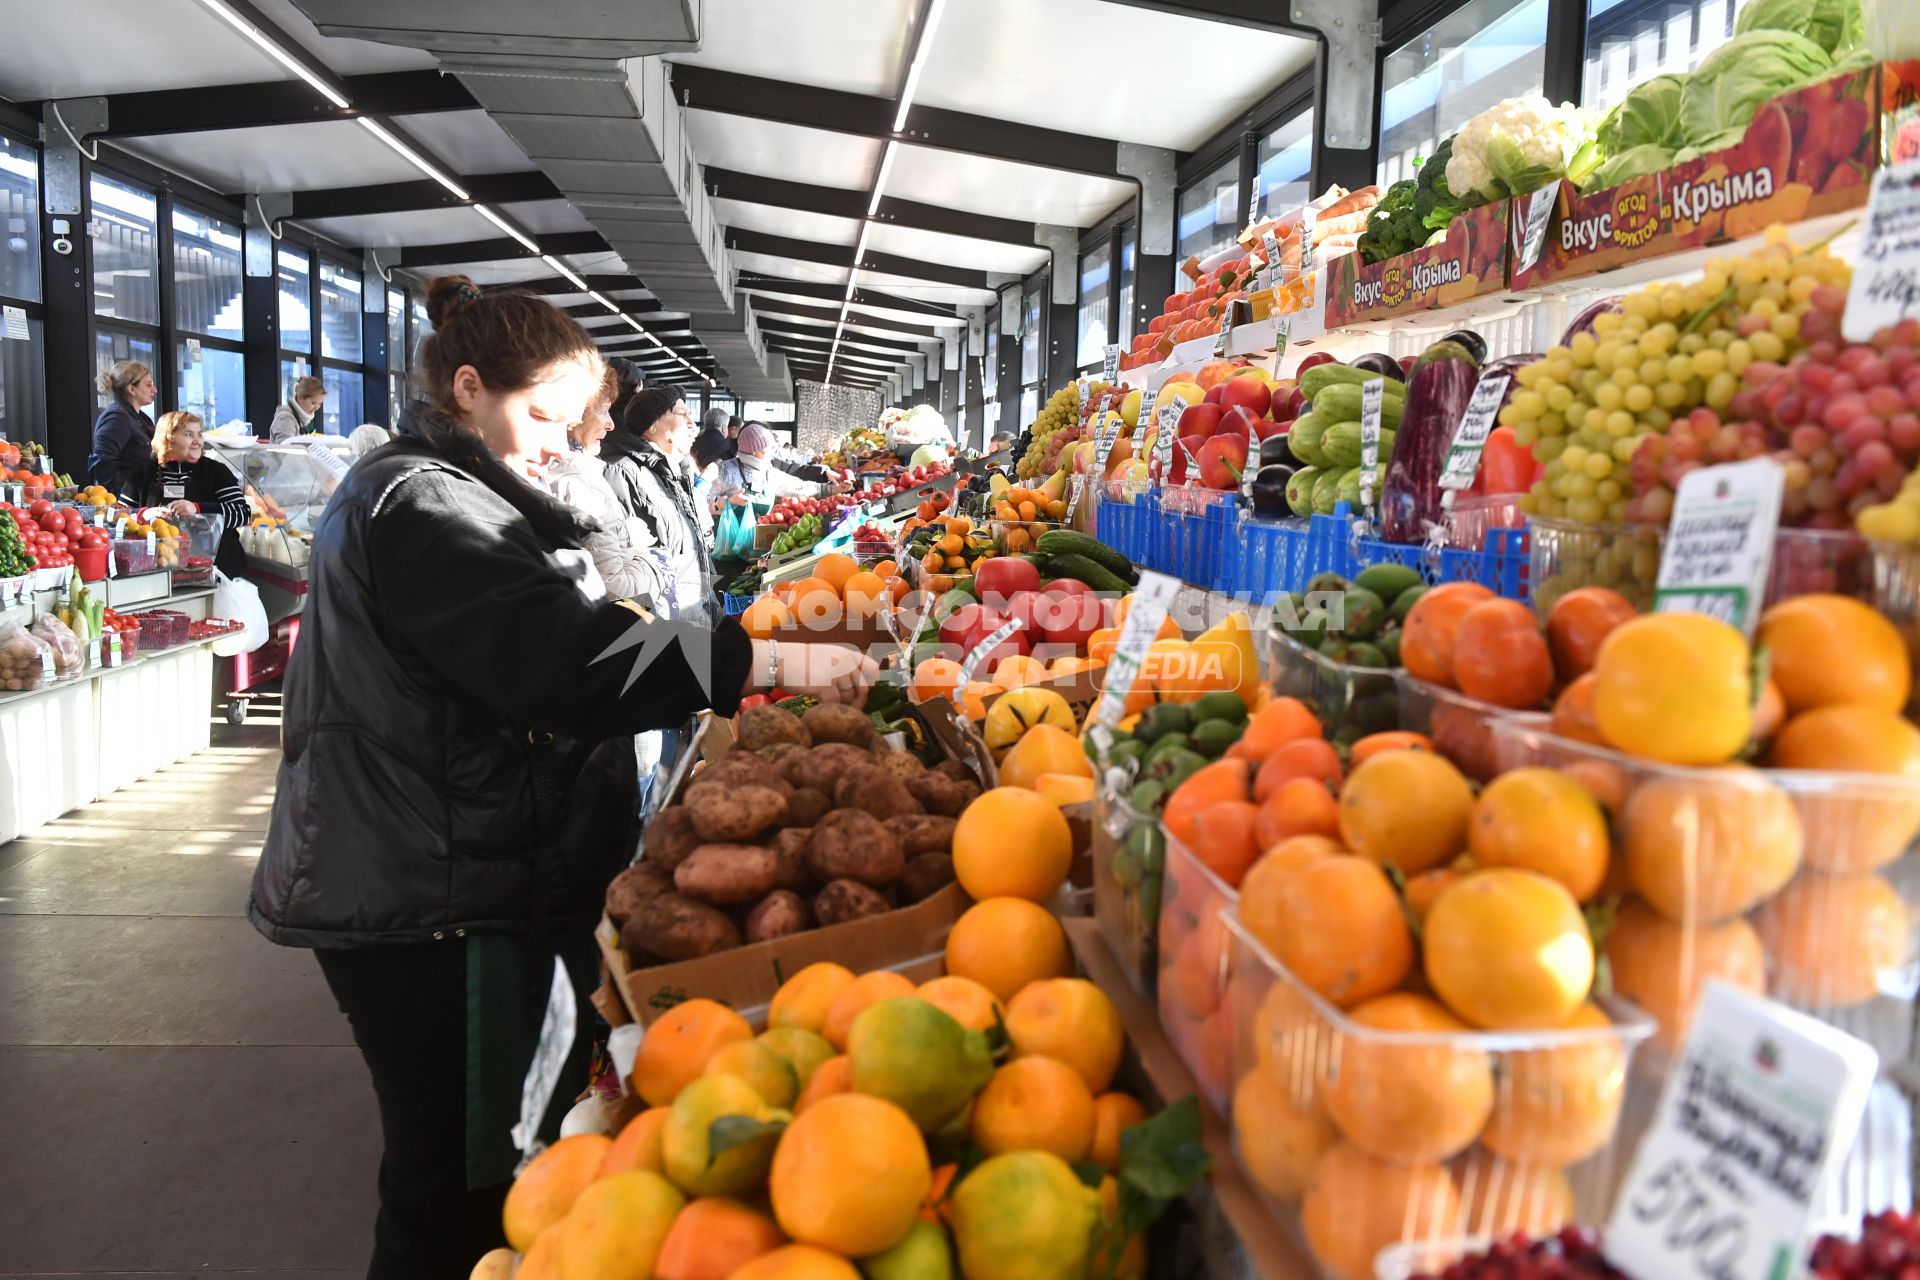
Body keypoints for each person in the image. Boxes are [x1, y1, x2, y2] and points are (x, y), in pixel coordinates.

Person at [248, 274, 872, 1280]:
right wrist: (758, 661)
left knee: (489, 1170)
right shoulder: (420, 502)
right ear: (465, 387)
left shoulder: (470, 491)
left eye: (571, 421)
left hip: (458, 875)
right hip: (436, 900)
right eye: (543, 413)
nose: (560, 440)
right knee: (455, 1189)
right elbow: (557, 657)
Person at [542, 367, 668, 610]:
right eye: (602, 411)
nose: (611, 424)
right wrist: (651, 561)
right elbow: (615, 589)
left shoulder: (584, 474)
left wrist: (626, 537)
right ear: (572, 417)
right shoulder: (578, 485)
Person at [600, 388, 717, 626]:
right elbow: (628, 560)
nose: (692, 423)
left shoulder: (679, 472)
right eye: (682, 413)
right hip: (667, 629)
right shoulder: (623, 473)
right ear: (652, 426)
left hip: (696, 615)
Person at [134, 410, 249, 577]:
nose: (197, 441)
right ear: (168, 439)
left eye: (200, 434)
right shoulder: (143, 473)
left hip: (216, 572)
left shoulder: (216, 472)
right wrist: (145, 514)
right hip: (156, 572)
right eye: (189, 434)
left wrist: (198, 508)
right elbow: (117, 519)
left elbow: (242, 514)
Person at [711, 422, 828, 507]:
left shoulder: (768, 471)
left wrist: (827, 489)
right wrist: (729, 502)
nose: (773, 450)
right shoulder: (724, 470)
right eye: (769, 446)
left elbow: (797, 487)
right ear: (754, 450)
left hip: (759, 536)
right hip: (728, 538)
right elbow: (700, 501)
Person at [88, 361, 157, 502]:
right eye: (149, 385)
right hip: (126, 506)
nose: (154, 390)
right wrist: (127, 496)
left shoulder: (139, 417)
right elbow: (102, 464)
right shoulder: (117, 417)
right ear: (131, 388)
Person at [269, 376, 328, 442]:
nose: (317, 407)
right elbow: (284, 448)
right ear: (300, 398)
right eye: (313, 403)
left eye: (320, 404)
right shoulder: (285, 418)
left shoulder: (304, 419)